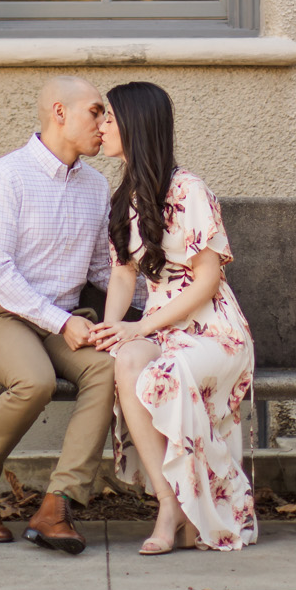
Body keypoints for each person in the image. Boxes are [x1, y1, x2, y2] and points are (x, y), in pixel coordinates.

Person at [94, 81, 259, 554]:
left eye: (110, 118)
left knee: (169, 373)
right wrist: (113, 330)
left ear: (136, 125)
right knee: (127, 363)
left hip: (214, 331)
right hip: (165, 332)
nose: (103, 126)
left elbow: (207, 280)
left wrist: (142, 326)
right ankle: (168, 503)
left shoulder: (189, 190)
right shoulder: (123, 196)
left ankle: (198, 511)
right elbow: (124, 275)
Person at [0, 76, 116, 554]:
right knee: (35, 381)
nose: (105, 123)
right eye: (96, 111)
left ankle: (56, 504)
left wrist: (172, 302)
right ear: (59, 113)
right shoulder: (4, 177)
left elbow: (103, 269)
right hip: (1, 318)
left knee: (108, 369)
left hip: (64, 318)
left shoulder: (96, 185)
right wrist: (62, 322)